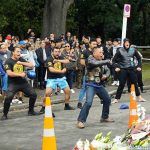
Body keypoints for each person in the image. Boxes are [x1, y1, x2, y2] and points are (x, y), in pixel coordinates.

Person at [77, 47, 114, 129]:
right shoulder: (90, 60)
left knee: (107, 99)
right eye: (100, 52)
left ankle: (104, 117)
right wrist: (107, 61)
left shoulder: (101, 61)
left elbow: (108, 70)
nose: (102, 54)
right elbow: (95, 64)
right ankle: (81, 121)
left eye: (102, 52)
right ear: (94, 53)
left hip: (99, 85)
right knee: (89, 102)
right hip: (90, 84)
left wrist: (105, 76)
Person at [1, 46, 38, 120]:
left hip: (23, 82)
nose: (19, 53)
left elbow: (31, 65)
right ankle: (5, 114)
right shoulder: (8, 61)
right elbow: (9, 73)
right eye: (17, 52)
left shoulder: (20, 59)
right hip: (13, 83)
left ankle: (30, 111)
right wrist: (20, 74)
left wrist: (21, 62)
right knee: (8, 98)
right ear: (13, 52)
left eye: (20, 52)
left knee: (33, 94)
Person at [39, 47, 74, 114]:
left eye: (58, 51)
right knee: (47, 93)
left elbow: (67, 61)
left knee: (68, 91)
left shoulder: (60, 57)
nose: (57, 53)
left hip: (61, 78)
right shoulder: (49, 59)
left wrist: (59, 61)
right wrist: (61, 71)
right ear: (52, 52)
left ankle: (67, 105)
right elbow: (51, 70)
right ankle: (43, 107)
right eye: (56, 51)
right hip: (52, 79)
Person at [111, 38, 146, 104]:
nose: (127, 43)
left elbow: (139, 58)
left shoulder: (133, 50)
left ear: (129, 43)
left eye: (128, 42)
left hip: (131, 69)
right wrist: (116, 67)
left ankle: (139, 97)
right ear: (123, 43)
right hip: (123, 69)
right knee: (121, 84)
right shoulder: (120, 50)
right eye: (125, 42)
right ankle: (116, 99)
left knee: (135, 83)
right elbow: (113, 60)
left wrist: (138, 66)